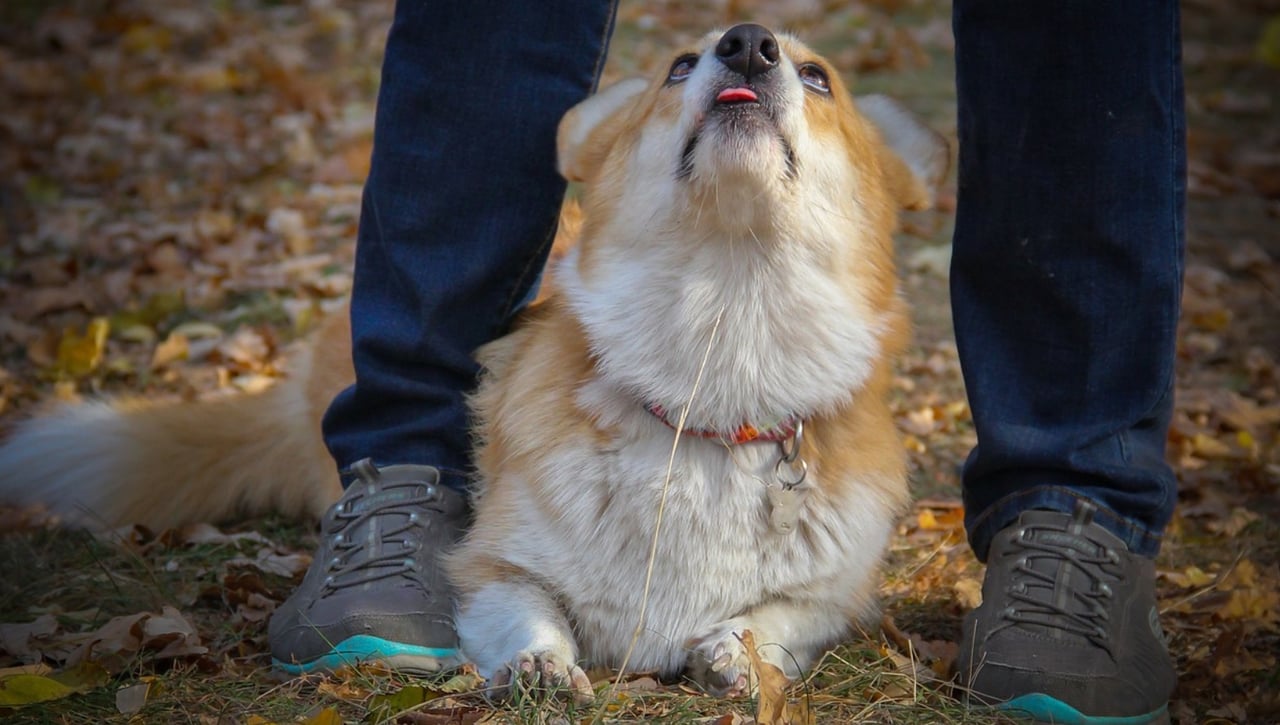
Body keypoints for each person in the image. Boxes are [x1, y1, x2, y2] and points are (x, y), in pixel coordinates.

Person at [268, 1, 1182, 723]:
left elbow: (824, 605)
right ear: (608, 158)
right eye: (684, 70)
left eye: (811, 75)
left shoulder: (856, 492)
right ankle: (404, 469)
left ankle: (1076, 510)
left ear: (880, 180)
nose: (748, 54)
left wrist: (773, 634)